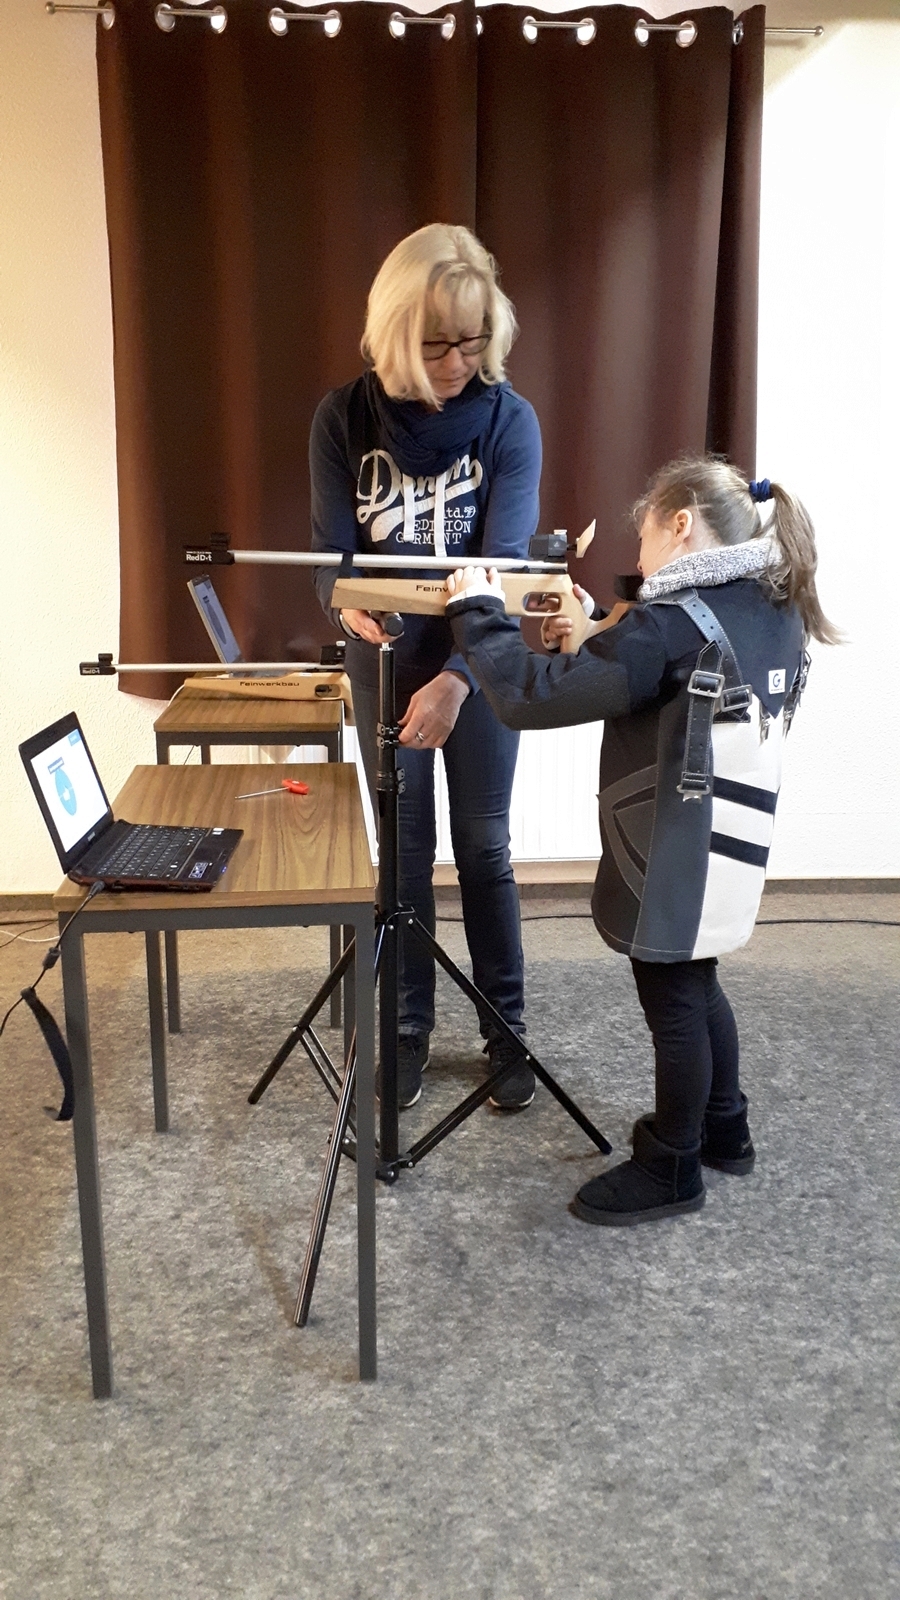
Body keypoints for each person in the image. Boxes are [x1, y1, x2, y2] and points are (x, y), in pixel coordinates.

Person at [444, 455, 840, 1224]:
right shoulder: (771, 605)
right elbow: (667, 676)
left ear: (681, 524)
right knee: (698, 975)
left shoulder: (672, 623)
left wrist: (478, 611)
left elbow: (528, 696)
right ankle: (725, 1127)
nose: (640, 557)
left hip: (676, 845)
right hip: (731, 837)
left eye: (646, 536)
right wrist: (596, 624)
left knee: (673, 994)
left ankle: (673, 1166)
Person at [310, 224, 542, 1111]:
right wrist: (344, 603)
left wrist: (456, 680)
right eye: (437, 344)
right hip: (382, 661)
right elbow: (329, 560)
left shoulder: (510, 422)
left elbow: (504, 572)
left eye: (473, 341)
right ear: (396, 333)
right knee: (404, 860)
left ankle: (505, 1029)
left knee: (484, 849)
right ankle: (406, 1028)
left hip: (476, 668)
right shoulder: (343, 418)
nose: (457, 363)